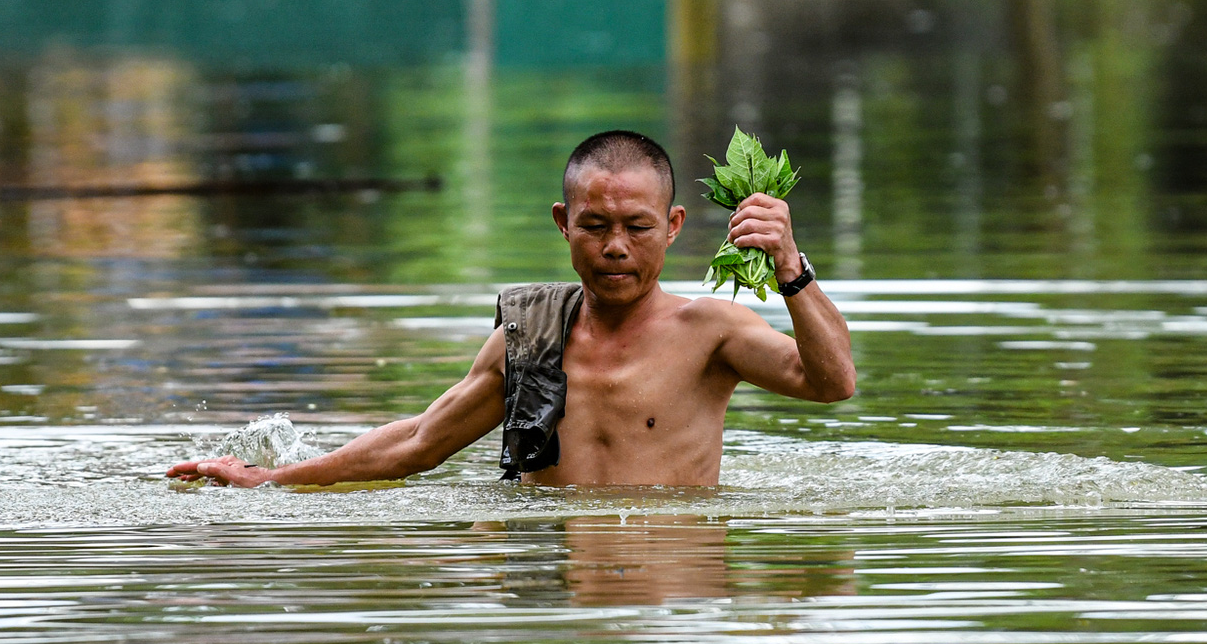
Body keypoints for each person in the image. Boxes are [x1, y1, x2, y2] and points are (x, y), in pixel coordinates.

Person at [167, 130, 855, 489]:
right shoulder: (529, 339)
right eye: (595, 225)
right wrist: (272, 481)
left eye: (637, 228)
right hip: (548, 590)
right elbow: (417, 443)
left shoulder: (713, 333)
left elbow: (833, 383)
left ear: (674, 226)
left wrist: (791, 267)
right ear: (563, 222)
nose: (616, 247)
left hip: (668, 592)